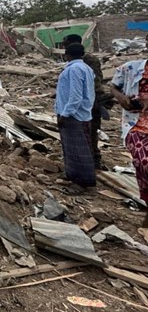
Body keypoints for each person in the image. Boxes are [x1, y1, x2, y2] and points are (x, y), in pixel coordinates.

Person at [110, 51, 148, 226]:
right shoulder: (131, 68)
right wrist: (122, 98)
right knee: (143, 162)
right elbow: (113, 86)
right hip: (135, 125)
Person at [62, 34, 108, 170]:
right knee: (88, 132)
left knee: (89, 132)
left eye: (66, 43)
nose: (64, 47)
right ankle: (90, 161)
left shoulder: (85, 62)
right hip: (88, 101)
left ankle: (92, 161)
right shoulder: (80, 62)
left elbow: (93, 83)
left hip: (90, 102)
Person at [55, 43, 96, 188]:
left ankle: (83, 182)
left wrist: (65, 114)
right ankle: (72, 175)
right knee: (71, 148)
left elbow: (76, 96)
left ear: (67, 54)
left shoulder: (74, 69)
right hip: (80, 113)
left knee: (79, 150)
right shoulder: (86, 68)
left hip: (74, 115)